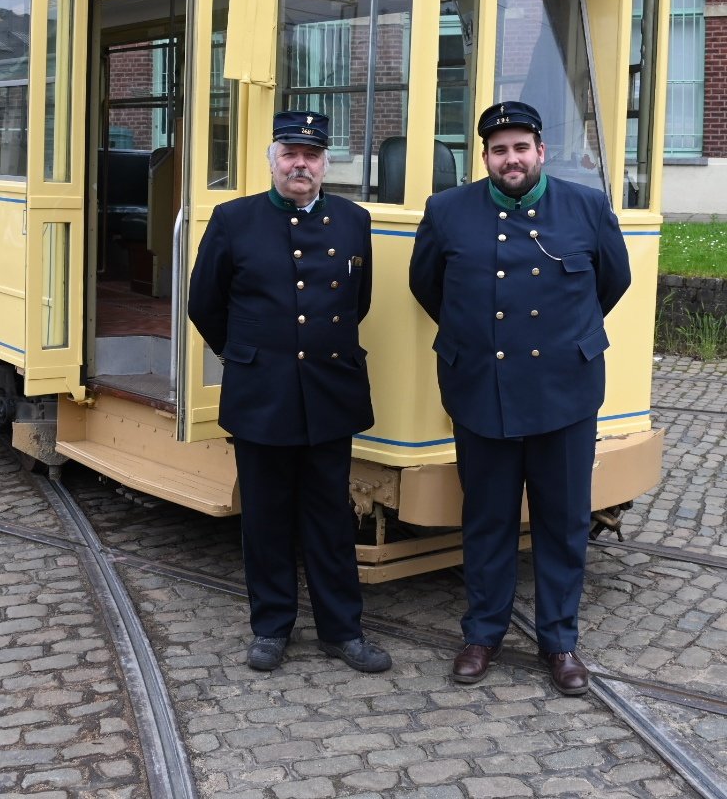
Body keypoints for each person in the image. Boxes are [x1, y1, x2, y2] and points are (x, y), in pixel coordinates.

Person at [409, 101, 631, 696]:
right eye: (499, 150)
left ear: (540, 151)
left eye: (521, 148)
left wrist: (560, 340)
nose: (511, 159)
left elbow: (614, 280)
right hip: (482, 390)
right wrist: (480, 339)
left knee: (562, 525)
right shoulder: (448, 210)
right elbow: (428, 285)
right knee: (487, 521)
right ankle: (482, 634)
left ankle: (560, 642)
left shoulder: (585, 207)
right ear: (484, 157)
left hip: (565, 393)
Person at [187, 111, 391, 674]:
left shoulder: (354, 220)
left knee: (330, 515)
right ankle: (272, 627)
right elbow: (204, 303)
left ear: (326, 163)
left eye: (313, 154)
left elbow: (358, 302)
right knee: (267, 515)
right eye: (290, 153)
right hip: (263, 392)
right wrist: (248, 356)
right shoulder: (233, 220)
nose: (301, 163)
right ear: (272, 160)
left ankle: (342, 631)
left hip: (329, 389)